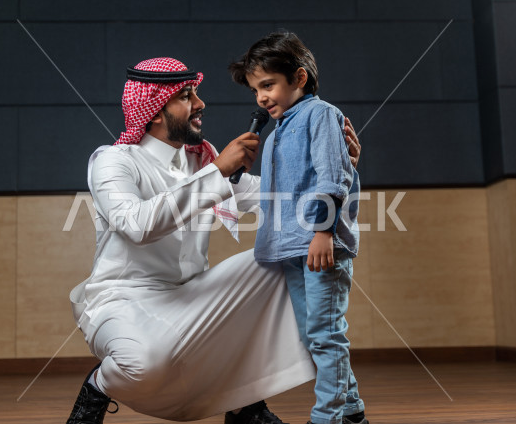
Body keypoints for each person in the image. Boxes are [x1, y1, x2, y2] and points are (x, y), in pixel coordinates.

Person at [66, 57, 362, 424]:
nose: (200, 104)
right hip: (123, 300)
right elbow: (135, 225)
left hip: (192, 298)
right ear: (156, 110)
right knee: (142, 364)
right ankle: (97, 388)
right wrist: (218, 171)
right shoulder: (114, 161)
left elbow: (288, 203)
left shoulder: (200, 162)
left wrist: (339, 168)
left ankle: (244, 407)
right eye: (187, 96)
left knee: (284, 258)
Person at [229, 32, 367, 424]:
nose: (260, 97)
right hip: (291, 248)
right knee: (313, 338)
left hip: (319, 245)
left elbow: (332, 176)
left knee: (326, 335)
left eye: (268, 84)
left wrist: (323, 230)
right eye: (256, 89)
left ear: (300, 78)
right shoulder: (274, 133)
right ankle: (353, 413)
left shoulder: (320, 115)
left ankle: (327, 417)